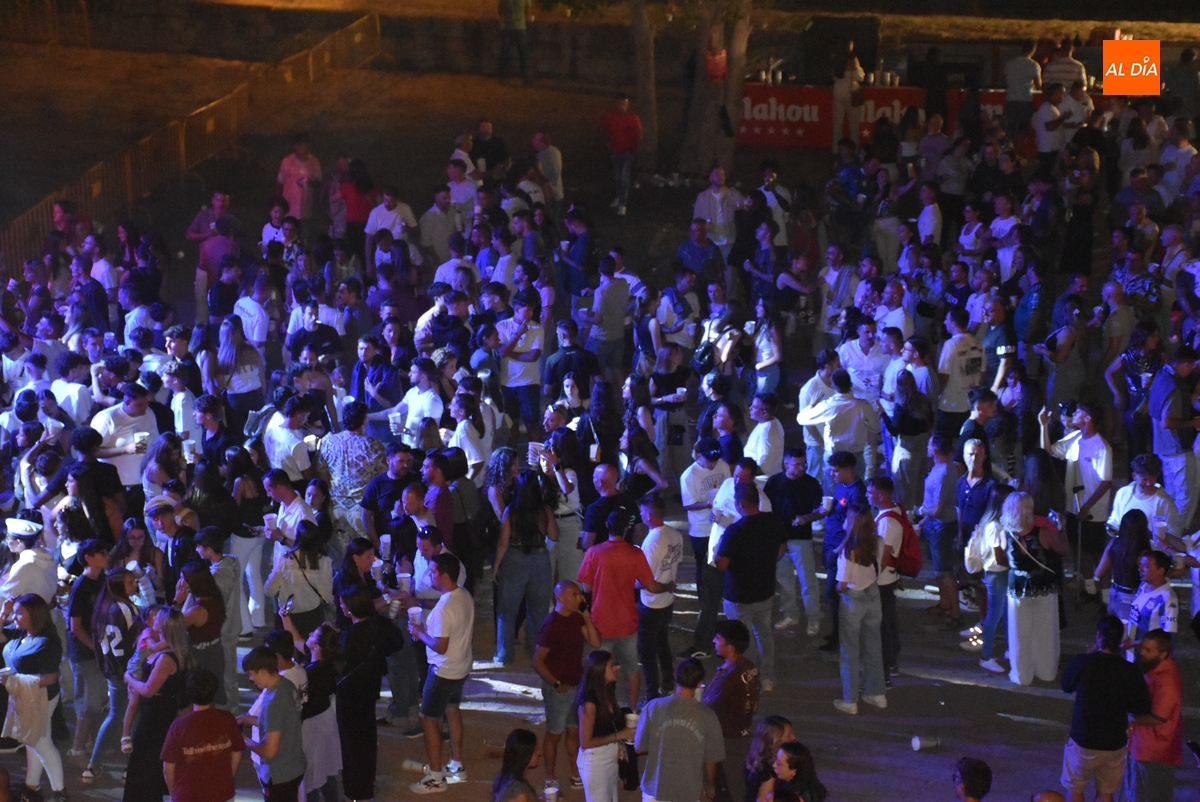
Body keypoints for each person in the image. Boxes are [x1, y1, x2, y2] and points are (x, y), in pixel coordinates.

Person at [577, 509, 672, 708]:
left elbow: (587, 587)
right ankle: (632, 710)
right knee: (632, 670)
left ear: (607, 526)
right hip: (627, 622)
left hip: (600, 622)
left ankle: (600, 708)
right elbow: (652, 586)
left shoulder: (594, 552)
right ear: (627, 528)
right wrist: (668, 586)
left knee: (599, 670)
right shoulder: (635, 554)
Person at [1060, 616, 1159, 802]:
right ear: (1121, 640)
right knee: (1106, 792)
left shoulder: (1083, 662)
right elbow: (1142, 707)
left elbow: (1066, 685)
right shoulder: (1131, 671)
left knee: (1075, 788)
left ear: (1099, 636)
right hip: (1114, 743)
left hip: (1083, 740)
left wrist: (1091, 652)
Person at [409, 552, 473, 794]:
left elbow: (440, 646)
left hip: (444, 671)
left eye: (433, 571)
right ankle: (457, 765)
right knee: (452, 710)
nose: (429, 575)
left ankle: (436, 777)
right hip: (461, 666)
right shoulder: (464, 595)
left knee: (428, 719)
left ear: (445, 576)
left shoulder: (444, 608)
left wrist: (419, 632)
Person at [714, 483, 783, 692]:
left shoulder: (735, 531)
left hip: (739, 594)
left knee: (743, 640)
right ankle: (768, 677)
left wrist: (718, 549)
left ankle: (748, 679)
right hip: (765, 590)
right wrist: (769, 561)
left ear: (740, 504)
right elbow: (782, 546)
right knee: (764, 634)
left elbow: (721, 564)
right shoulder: (773, 521)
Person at [533, 581, 600, 796]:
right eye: (575, 594)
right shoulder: (552, 624)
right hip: (559, 690)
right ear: (561, 598)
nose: (581, 598)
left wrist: (587, 616)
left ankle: (574, 771)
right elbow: (537, 660)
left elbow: (595, 643)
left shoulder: (577, 618)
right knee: (554, 734)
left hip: (576, 686)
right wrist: (556, 683)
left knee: (574, 731)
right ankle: (550, 777)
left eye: (580, 594)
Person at [1040, 402, 1112, 597]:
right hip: (1073, 506)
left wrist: (1086, 507)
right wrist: (1043, 426)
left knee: (1096, 553)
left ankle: (1106, 597)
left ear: (1088, 418)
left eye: (1079, 412)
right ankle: (1089, 590)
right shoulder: (1075, 438)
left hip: (1092, 512)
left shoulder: (1102, 447)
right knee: (1079, 551)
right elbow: (1049, 450)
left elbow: (1105, 482)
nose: (1074, 414)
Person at [0, 594, 65, 801]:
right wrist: (4, 613)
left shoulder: (48, 642)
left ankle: (60, 792)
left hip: (41, 698)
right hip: (23, 696)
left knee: (41, 742)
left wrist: (14, 680)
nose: (15, 617)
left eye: (19, 613)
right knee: (31, 740)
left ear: (35, 615)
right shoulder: (21, 631)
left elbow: (50, 677)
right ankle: (31, 786)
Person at [125, 606, 192, 802]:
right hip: (158, 712)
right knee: (149, 764)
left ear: (164, 626)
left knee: (146, 766)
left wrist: (129, 678)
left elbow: (148, 690)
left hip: (156, 717)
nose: (153, 621)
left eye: (157, 619)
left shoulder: (166, 659)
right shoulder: (168, 649)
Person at [636, 656, 725, 802]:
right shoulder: (708, 716)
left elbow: (639, 747)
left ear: (675, 675)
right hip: (688, 792)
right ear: (699, 684)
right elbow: (711, 760)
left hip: (655, 789)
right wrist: (710, 786)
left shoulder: (653, 707)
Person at [494, 469, 557, 665]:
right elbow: (554, 536)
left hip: (515, 558)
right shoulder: (544, 510)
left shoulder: (511, 510)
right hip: (540, 558)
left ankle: (505, 654)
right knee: (538, 611)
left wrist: (497, 565)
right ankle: (534, 652)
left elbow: (503, 542)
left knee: (507, 610)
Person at [1004, 492, 1067, 687]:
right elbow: (1062, 549)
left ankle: (1022, 674)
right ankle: (1046, 671)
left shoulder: (1003, 532)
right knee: (1046, 630)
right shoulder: (1043, 532)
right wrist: (1062, 528)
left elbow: (999, 559)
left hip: (1017, 586)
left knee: (1019, 632)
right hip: (1044, 585)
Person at [160, 669, 245, 802]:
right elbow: (236, 754)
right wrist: (226, 779)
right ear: (214, 692)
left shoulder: (179, 726)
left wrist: (174, 794)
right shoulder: (227, 719)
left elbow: (168, 767)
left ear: (189, 694)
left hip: (186, 796)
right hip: (222, 794)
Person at [832, 505, 886, 714]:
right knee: (873, 645)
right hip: (873, 594)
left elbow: (842, 584)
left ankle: (850, 699)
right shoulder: (877, 542)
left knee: (850, 650)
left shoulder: (848, 551)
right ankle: (877, 694)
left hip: (853, 599)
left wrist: (837, 590)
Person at [767, 447, 823, 636]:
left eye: (803, 464)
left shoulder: (811, 483)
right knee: (784, 580)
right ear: (786, 464)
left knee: (808, 581)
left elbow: (820, 510)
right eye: (797, 464)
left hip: (801, 539)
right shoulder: (774, 483)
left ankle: (813, 618)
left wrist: (807, 518)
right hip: (779, 539)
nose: (802, 468)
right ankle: (791, 614)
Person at [701, 620, 759, 802]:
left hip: (728, 739)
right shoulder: (749, 667)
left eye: (718, 638)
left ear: (730, 646)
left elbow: (707, 705)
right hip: (743, 733)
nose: (714, 641)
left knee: (730, 787)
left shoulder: (729, 678)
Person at [241, 645, 306, 802]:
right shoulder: (286, 685)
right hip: (294, 766)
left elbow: (270, 751)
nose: (250, 679)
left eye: (251, 674)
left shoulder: (273, 702)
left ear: (263, 672)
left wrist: (244, 740)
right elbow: (279, 723)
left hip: (279, 775)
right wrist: (244, 719)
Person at [1124, 629, 1183, 802]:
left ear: (1163, 654)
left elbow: (1158, 717)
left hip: (1155, 753)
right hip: (1145, 747)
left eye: (1148, 650)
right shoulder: (1154, 669)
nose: (1142, 653)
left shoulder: (1167, 682)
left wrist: (1130, 717)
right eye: (1142, 647)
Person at [636, 491, 682, 703]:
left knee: (647, 652)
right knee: (662, 643)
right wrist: (669, 586)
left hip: (651, 604)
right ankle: (668, 683)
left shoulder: (652, 541)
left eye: (642, 511)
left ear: (648, 514)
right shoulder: (675, 535)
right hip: (667, 602)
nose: (640, 514)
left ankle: (652, 693)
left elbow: (646, 581)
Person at [574, 650, 634, 802]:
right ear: (600, 671)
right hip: (595, 762)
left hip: (610, 757)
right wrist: (619, 735)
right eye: (611, 665)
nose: (616, 668)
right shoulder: (589, 703)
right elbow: (586, 742)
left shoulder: (607, 691)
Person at [1124, 551, 1179, 660]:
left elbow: (1168, 635)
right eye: (1141, 565)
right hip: (1132, 653)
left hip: (1150, 659)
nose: (1140, 569)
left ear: (1160, 571)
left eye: (1146, 567)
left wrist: (1134, 643)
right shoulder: (1143, 586)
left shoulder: (1168, 599)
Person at [601, 96, 642, 216]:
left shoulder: (633, 118)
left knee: (624, 177)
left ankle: (623, 203)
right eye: (622, 103)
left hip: (627, 152)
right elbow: (603, 129)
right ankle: (619, 197)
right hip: (615, 151)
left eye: (626, 104)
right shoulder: (611, 116)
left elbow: (638, 134)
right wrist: (608, 144)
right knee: (618, 177)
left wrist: (633, 148)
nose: (624, 106)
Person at [493, 728, 541, 802]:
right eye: (535, 750)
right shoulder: (520, 793)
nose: (539, 753)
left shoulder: (502, 776)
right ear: (525, 755)